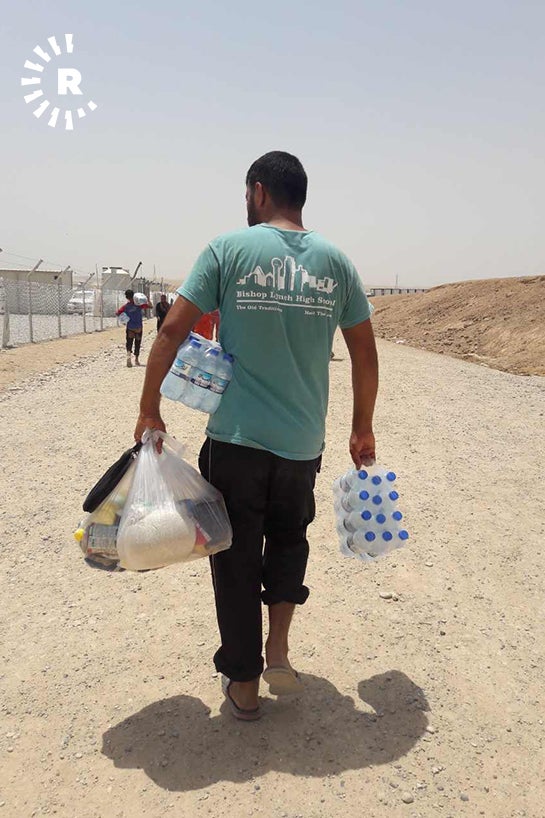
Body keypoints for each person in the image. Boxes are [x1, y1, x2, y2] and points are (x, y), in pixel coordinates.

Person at [134, 151, 378, 720]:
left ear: (260, 191)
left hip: (236, 440)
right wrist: (361, 426)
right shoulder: (337, 263)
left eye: (247, 193)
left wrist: (150, 408)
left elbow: (171, 330)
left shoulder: (228, 250)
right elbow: (365, 353)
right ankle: (279, 650)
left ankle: (243, 684)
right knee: (289, 542)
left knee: (235, 556)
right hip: (302, 443)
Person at [116, 289, 150, 367]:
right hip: (138, 327)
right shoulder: (139, 305)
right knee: (137, 343)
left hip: (130, 327)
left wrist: (124, 319)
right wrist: (147, 299)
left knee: (129, 342)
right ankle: (136, 360)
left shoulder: (126, 306)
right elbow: (150, 306)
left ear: (126, 297)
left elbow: (117, 313)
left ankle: (128, 355)